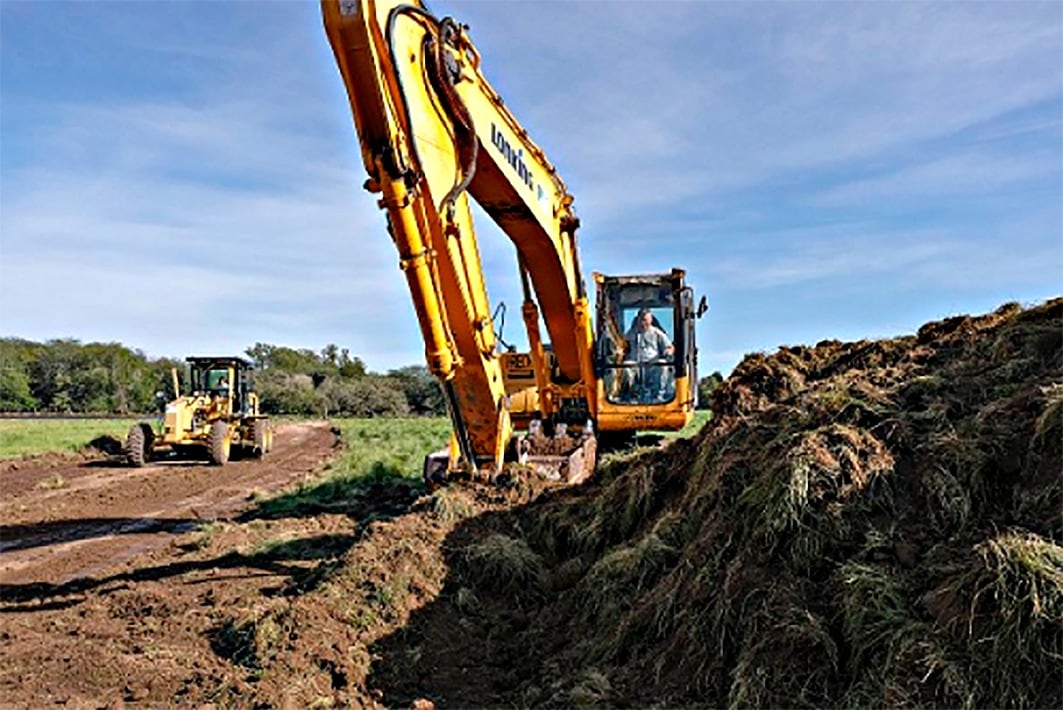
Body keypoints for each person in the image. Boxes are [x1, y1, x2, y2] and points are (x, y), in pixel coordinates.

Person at [625, 308, 674, 402]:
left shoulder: (657, 333)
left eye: (646, 320)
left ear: (650, 320)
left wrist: (668, 351)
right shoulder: (630, 333)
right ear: (638, 320)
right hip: (635, 366)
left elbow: (669, 347)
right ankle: (632, 396)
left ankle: (658, 396)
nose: (643, 323)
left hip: (652, 366)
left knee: (662, 364)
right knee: (626, 367)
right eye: (641, 320)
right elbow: (624, 347)